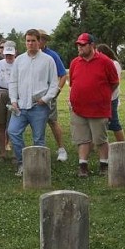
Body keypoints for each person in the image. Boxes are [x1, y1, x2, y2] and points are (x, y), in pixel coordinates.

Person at [8, 30, 59, 176]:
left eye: (33, 41)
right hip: (20, 105)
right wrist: (13, 100)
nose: (30, 43)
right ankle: (22, 163)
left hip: (39, 106)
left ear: (39, 41)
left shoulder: (48, 60)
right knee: (13, 131)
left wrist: (46, 99)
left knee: (38, 138)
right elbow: (13, 81)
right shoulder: (19, 60)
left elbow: (54, 83)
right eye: (28, 41)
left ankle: (39, 167)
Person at [68, 33, 119, 177]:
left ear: (92, 45)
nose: (80, 47)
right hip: (78, 108)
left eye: (83, 45)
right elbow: (73, 83)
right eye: (78, 45)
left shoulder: (105, 61)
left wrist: (102, 95)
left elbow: (114, 82)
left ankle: (104, 164)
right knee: (82, 138)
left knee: (100, 138)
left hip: (98, 108)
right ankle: (83, 165)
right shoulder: (75, 63)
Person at [38, 30, 69, 162]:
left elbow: (63, 75)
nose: (39, 42)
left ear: (45, 41)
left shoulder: (52, 55)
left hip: (48, 95)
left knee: (52, 121)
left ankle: (61, 149)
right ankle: (39, 149)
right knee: (36, 122)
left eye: (41, 39)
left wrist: (56, 91)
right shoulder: (28, 55)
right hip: (34, 96)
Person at [96, 44, 125, 142]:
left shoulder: (114, 64)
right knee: (99, 122)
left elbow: (115, 82)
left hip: (111, 98)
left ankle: (122, 143)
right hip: (101, 98)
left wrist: (106, 94)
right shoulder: (101, 63)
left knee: (114, 122)